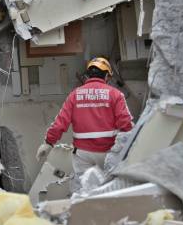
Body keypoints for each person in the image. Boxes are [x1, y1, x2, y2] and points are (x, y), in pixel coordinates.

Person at [35, 57, 133, 191]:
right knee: (110, 189)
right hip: (108, 152)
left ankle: (86, 210)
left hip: (83, 154)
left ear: (87, 75)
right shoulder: (116, 95)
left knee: (85, 190)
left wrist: (48, 143)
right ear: (106, 76)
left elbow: (60, 123)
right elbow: (126, 124)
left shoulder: (74, 95)